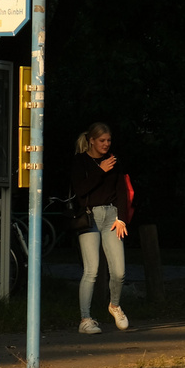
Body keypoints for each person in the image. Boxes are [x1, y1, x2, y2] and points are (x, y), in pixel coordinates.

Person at [70, 122, 130, 334]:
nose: (106, 144)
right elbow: (80, 192)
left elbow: (122, 190)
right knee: (91, 270)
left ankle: (114, 305)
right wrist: (99, 171)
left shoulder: (114, 161)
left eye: (109, 141)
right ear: (91, 141)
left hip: (112, 217)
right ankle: (85, 319)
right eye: (102, 141)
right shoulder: (80, 161)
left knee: (119, 272)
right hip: (89, 217)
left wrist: (122, 218)